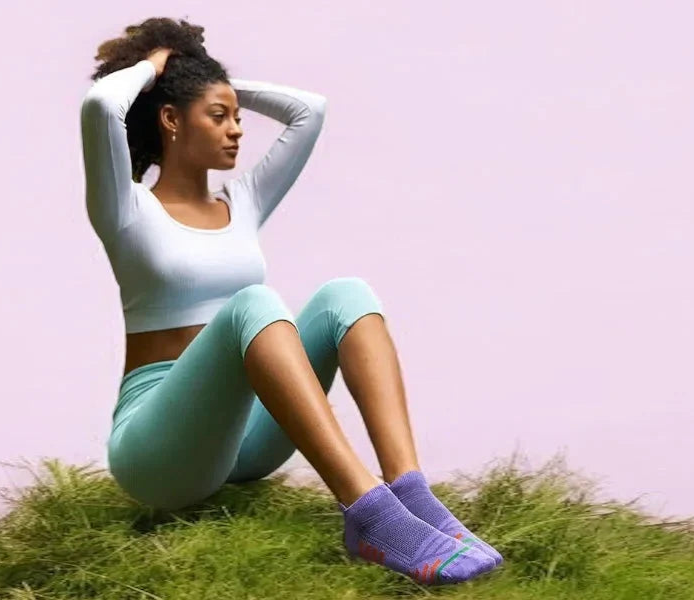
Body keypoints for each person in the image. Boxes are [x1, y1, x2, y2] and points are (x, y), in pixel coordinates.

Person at [75, 17, 502, 585]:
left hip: (245, 442)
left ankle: (410, 492)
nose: (237, 131)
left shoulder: (242, 203)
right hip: (160, 452)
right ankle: (369, 515)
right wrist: (161, 67)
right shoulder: (126, 210)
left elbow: (310, 111)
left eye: (238, 117)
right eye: (218, 116)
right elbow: (102, 105)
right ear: (171, 119)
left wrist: (214, 80)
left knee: (346, 294)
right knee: (255, 303)